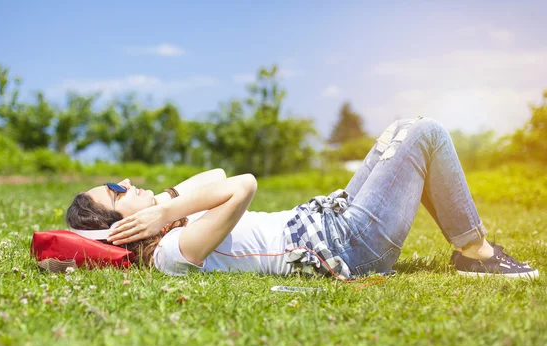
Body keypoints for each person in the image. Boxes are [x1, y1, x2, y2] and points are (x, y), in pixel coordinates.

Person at [66, 117, 539, 279]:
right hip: (349, 246)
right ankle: (477, 254)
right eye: (115, 192)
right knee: (426, 133)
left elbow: (215, 173)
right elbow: (242, 185)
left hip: (333, 221)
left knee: (401, 132)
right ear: (116, 226)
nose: (126, 183)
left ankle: (469, 248)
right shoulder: (170, 253)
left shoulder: (169, 226)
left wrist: (165, 205)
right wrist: (167, 211)